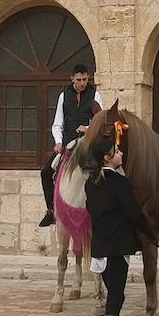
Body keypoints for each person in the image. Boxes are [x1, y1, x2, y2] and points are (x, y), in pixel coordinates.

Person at [85, 135, 145, 316]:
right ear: (107, 158)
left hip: (102, 249)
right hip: (116, 250)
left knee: (116, 298)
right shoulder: (119, 183)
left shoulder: (92, 183)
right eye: (117, 151)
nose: (121, 153)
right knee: (114, 301)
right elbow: (134, 213)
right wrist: (150, 233)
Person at [39, 62, 102, 227]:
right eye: (79, 79)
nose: (82, 83)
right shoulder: (63, 96)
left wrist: (88, 128)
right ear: (72, 78)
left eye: (85, 79)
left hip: (85, 144)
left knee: (99, 173)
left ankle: (98, 210)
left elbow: (100, 122)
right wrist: (58, 142)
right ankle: (51, 211)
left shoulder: (95, 95)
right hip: (67, 144)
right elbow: (57, 123)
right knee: (46, 172)